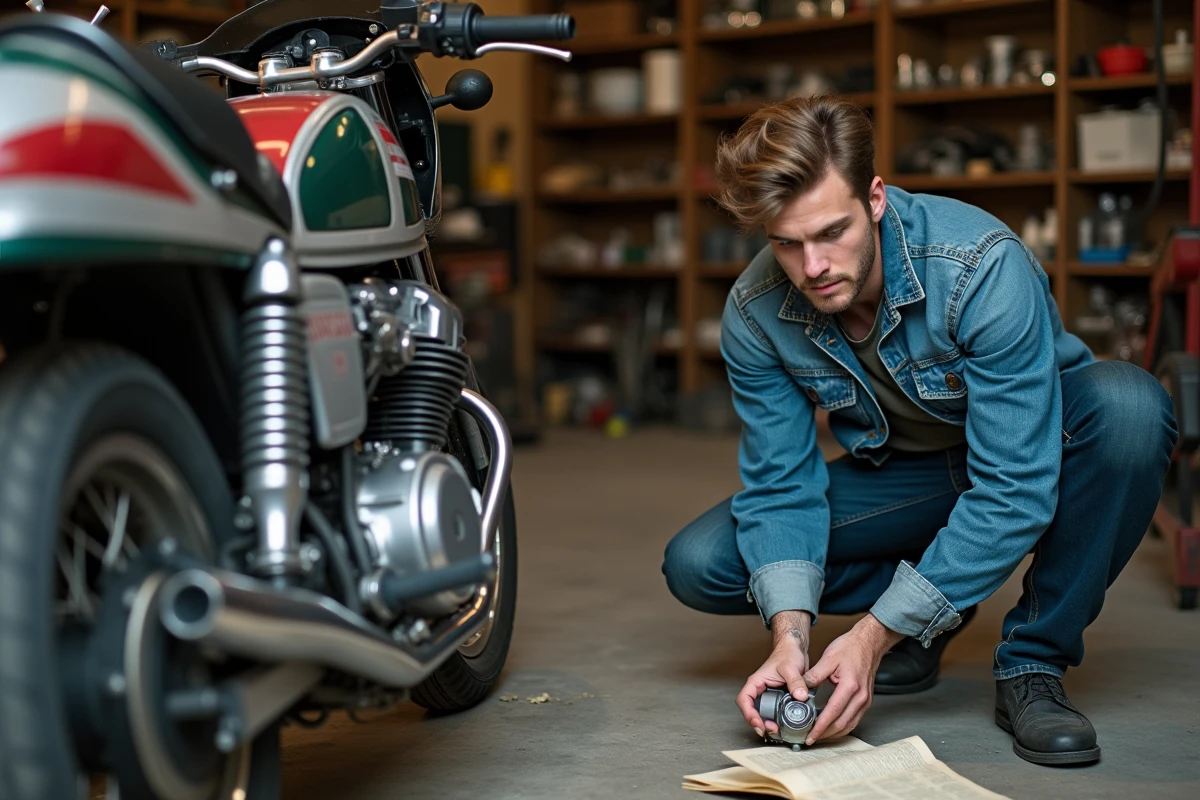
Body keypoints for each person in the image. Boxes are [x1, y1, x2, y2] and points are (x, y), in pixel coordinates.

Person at [661, 95, 1177, 766]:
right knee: (703, 563)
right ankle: (933, 616)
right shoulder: (756, 313)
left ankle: (1031, 663)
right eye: (786, 242)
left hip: (1043, 447)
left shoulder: (979, 265)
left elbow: (1015, 486)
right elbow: (781, 486)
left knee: (1131, 410)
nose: (812, 265)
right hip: (917, 477)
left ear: (874, 198)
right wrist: (791, 636)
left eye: (831, 232)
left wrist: (874, 633)